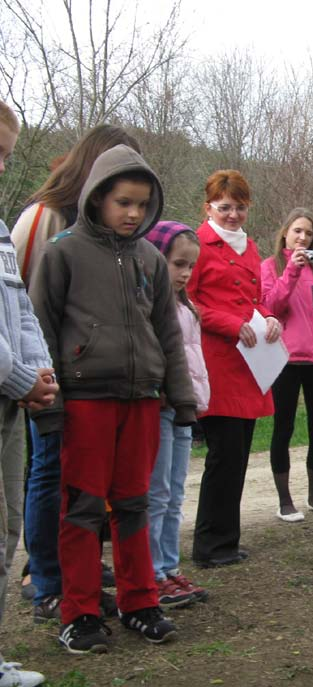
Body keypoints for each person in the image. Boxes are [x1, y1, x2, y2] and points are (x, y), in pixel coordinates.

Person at [29, 144, 196, 654]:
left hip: (143, 399)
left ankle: (140, 603)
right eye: (124, 202)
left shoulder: (150, 258)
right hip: (85, 401)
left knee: (133, 503)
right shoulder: (62, 251)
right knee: (81, 508)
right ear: (98, 197)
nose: (134, 213)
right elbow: (40, 327)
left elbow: (168, 330)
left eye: (143, 205)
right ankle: (78, 612)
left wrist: (181, 396)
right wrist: (50, 405)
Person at [11, 124, 141, 624]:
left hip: (95, 382)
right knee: (48, 472)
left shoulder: (109, 232)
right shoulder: (43, 218)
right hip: (43, 376)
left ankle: (75, 573)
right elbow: (23, 305)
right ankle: (44, 578)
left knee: (84, 482)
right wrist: (32, 376)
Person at [187, 170, 282, 568]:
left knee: (240, 455)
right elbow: (188, 301)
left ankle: (227, 540)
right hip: (219, 363)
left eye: (240, 207)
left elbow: (255, 299)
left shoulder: (251, 247)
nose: (232, 215)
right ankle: (208, 546)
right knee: (223, 457)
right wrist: (230, 325)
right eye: (224, 207)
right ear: (209, 207)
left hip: (251, 363)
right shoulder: (196, 245)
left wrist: (269, 317)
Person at [0, 100, 53, 687]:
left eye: (6, 156)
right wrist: (21, 378)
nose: (0, 167)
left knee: (7, 527)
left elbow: (19, 308)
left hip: (10, 401)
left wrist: (39, 374)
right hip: (6, 387)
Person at [261, 208, 313, 521]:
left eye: (308, 233)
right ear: (285, 233)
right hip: (285, 360)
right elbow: (270, 306)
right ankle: (285, 502)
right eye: (297, 231)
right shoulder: (271, 267)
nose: (302, 237)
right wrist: (291, 271)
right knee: (283, 427)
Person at [145, 222, 210, 608]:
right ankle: (151, 572)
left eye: (190, 266)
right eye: (177, 264)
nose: (185, 273)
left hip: (185, 408)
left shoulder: (188, 308)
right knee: (157, 492)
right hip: (160, 408)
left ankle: (169, 567)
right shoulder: (152, 305)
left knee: (175, 492)